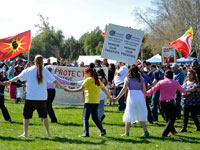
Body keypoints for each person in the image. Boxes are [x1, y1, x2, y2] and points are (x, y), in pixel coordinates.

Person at [5, 55, 67, 137]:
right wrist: (64, 87)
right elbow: (55, 81)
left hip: (31, 97)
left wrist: (9, 81)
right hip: (42, 98)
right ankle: (48, 134)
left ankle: (25, 133)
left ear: (34, 61)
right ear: (42, 62)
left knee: (26, 116)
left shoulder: (29, 70)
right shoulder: (45, 71)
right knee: (44, 116)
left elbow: (18, 78)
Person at [64, 68, 111, 137]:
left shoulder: (88, 80)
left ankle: (86, 133)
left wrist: (70, 90)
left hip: (89, 101)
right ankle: (103, 131)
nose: (84, 75)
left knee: (85, 118)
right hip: (96, 101)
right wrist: (110, 97)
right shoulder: (97, 80)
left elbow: (80, 90)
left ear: (89, 73)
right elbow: (104, 89)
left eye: (85, 73)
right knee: (95, 118)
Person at [146, 70, 187, 137]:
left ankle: (173, 131)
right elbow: (182, 90)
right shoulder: (175, 83)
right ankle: (164, 134)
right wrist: (188, 92)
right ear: (172, 76)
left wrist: (146, 93)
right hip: (170, 102)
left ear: (165, 76)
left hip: (162, 103)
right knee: (172, 118)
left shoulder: (161, 82)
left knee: (168, 117)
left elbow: (153, 89)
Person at [113, 66, 149, 137]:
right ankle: (145, 131)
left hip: (132, 96)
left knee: (129, 113)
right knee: (140, 113)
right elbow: (144, 90)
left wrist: (117, 98)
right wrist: (144, 99)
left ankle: (127, 132)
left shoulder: (128, 79)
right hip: (140, 96)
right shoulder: (141, 79)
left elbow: (124, 89)